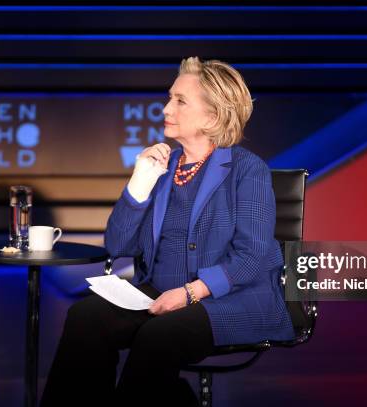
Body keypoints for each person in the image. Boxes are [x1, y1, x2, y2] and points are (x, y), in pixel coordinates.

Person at [40, 57, 295, 406]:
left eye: (180, 101)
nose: (165, 109)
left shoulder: (247, 170)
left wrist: (190, 292)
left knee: (158, 338)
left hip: (228, 300)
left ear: (212, 117)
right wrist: (140, 181)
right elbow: (117, 245)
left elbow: (253, 257)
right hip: (158, 292)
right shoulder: (164, 166)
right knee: (85, 318)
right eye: (169, 98)